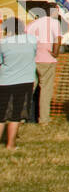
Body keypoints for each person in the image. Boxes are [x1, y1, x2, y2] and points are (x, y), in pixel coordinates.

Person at [0, 16, 38, 149]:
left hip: (4, 81)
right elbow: (34, 54)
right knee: (16, 115)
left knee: (1, 115)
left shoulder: (3, 43)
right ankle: (11, 144)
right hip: (25, 81)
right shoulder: (32, 40)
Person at [25, 5, 63, 124]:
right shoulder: (54, 23)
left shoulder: (33, 23)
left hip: (32, 59)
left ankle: (21, 117)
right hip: (47, 60)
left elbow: (25, 39)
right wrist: (55, 53)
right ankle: (44, 119)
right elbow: (57, 39)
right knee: (45, 90)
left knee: (29, 89)